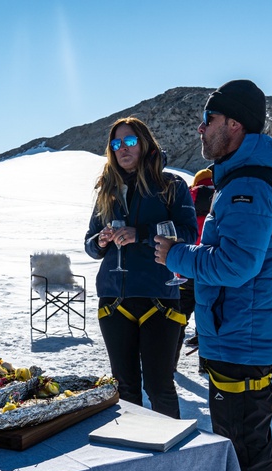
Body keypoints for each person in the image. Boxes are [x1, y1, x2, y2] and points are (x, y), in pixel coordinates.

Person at [154, 80, 272, 471]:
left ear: (234, 125)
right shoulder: (244, 179)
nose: (202, 128)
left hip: (242, 338)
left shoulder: (250, 186)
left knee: (242, 447)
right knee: (246, 441)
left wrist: (178, 255)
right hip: (241, 334)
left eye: (209, 120)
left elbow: (236, 265)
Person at [84, 117, 197, 418]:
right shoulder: (107, 191)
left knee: (159, 386)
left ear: (144, 143)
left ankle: (171, 460)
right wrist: (102, 240)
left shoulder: (171, 185)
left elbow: (188, 233)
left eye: (130, 141)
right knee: (125, 387)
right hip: (114, 300)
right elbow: (89, 245)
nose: (123, 149)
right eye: (116, 143)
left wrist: (143, 234)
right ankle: (132, 458)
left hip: (159, 297)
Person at [174, 168, 214, 371]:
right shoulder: (219, 198)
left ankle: (169, 362)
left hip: (186, 267)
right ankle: (205, 365)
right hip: (208, 270)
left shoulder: (187, 197)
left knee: (179, 318)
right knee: (206, 319)